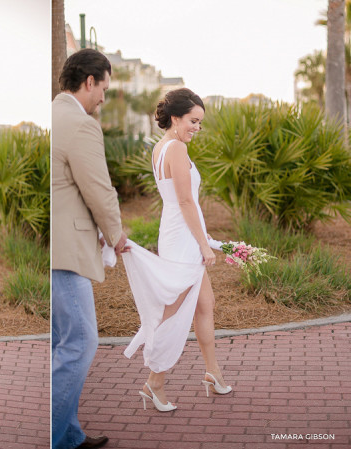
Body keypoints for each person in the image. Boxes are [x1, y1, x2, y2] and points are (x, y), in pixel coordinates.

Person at [119, 88, 231, 412]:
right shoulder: (177, 149)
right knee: (174, 311)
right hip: (183, 237)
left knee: (205, 304)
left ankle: (213, 373)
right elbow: (184, 201)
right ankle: (154, 382)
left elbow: (181, 202)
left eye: (200, 122)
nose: (197, 127)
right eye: (193, 121)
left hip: (176, 231)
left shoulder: (160, 148)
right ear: (176, 117)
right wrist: (202, 244)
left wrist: (204, 238)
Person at [52, 48, 128, 449]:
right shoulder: (81, 125)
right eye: (104, 88)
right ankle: (54, 436)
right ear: (89, 82)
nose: (104, 97)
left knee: (61, 345)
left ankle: (69, 436)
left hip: (53, 248)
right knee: (81, 342)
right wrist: (115, 233)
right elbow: (98, 187)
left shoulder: (54, 114)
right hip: (66, 251)